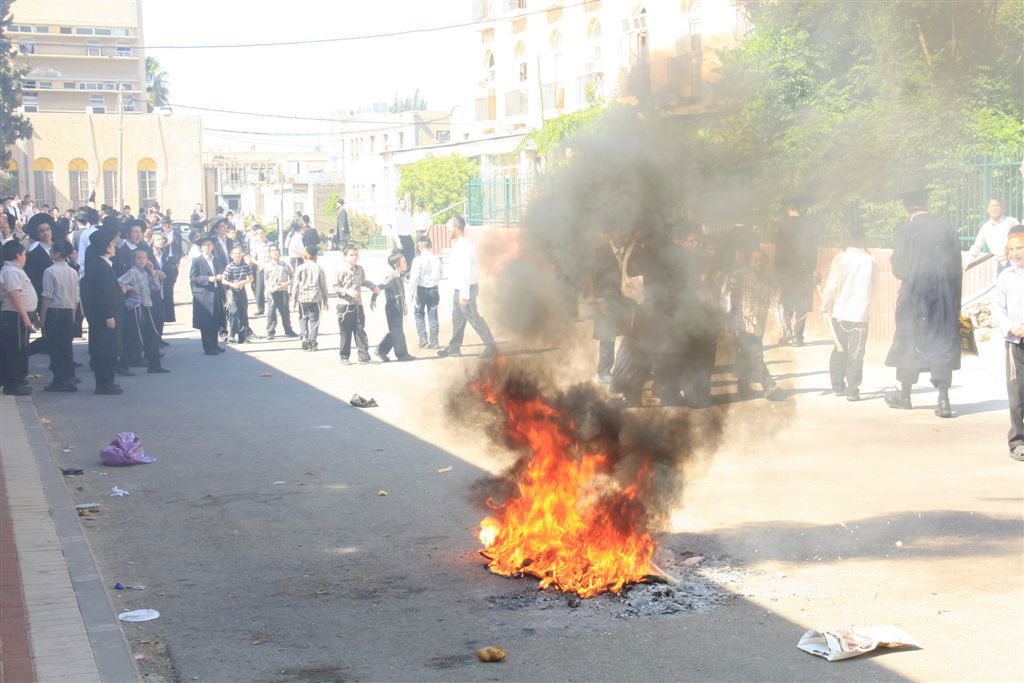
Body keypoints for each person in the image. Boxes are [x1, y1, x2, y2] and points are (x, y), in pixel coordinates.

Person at [884, 189, 962, 418]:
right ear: (926, 202)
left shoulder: (905, 231)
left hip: (914, 297)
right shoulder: (947, 229)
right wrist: (956, 302)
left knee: (909, 341)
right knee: (941, 343)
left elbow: (900, 270)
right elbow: (956, 268)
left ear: (906, 206)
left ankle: (904, 395)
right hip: (944, 296)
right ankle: (944, 400)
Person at [820, 225, 876, 401]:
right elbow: (874, 288)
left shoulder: (840, 259)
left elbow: (832, 285)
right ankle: (852, 389)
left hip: (840, 312)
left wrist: (825, 303)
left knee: (839, 349)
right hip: (860, 314)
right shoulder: (870, 260)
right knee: (856, 352)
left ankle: (837, 385)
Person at [725, 249, 784, 400]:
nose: (759, 263)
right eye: (756, 260)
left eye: (762, 260)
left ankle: (743, 388)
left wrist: (781, 326)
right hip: (741, 324)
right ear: (749, 261)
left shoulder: (769, 283)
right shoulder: (739, 277)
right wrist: (730, 321)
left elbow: (775, 305)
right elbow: (728, 298)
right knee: (756, 355)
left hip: (758, 327)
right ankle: (769, 385)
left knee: (746, 356)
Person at [437, 215, 497, 358]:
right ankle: (454, 347)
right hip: (460, 289)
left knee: (474, 318)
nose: (447, 231)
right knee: (457, 319)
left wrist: (464, 295)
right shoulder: (459, 245)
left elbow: (465, 272)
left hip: (466, 289)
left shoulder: (464, 247)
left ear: (457, 228)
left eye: (449, 228)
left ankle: (491, 346)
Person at [991, 225, 1024, 461]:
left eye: (1020, 247)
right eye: (1011, 249)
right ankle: (1017, 441)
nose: (1015, 253)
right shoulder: (1005, 277)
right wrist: (1011, 327)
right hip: (1015, 342)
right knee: (1016, 394)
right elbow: (997, 309)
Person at [81, 230, 124, 394]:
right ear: (106, 247)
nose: (114, 247)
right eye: (112, 244)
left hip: (104, 316)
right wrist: (109, 315)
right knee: (105, 350)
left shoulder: (102, 265)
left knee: (109, 349)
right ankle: (104, 383)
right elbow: (103, 294)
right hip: (105, 317)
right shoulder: (101, 267)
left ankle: (108, 380)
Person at [774, 200, 817, 346]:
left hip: (787, 271)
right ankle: (798, 337)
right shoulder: (810, 225)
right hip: (804, 271)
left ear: (788, 209)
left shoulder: (782, 226)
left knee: (786, 302)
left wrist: (778, 272)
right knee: (802, 304)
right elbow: (813, 249)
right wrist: (812, 268)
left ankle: (787, 332)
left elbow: (778, 251)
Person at [117, 249, 168, 373]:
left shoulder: (145, 272)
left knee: (152, 335)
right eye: (139, 258)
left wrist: (152, 272)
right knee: (134, 337)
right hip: (135, 307)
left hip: (147, 306)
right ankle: (122, 365)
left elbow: (155, 287)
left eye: (144, 258)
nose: (142, 260)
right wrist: (130, 288)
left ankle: (154, 365)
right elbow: (118, 283)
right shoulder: (132, 272)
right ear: (134, 260)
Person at [39, 240, 80, 391]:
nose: (50, 253)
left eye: (51, 251)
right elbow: (75, 296)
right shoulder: (73, 272)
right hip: (69, 311)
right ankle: (69, 378)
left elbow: (47, 296)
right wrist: (74, 315)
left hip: (54, 311)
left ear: (57, 254)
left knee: (55, 347)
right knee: (66, 346)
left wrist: (42, 317)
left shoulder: (50, 271)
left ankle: (59, 379)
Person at [0, 241, 37, 395]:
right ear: (18, 255)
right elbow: (14, 294)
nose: (25, 258)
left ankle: (19, 380)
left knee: (21, 348)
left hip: (20, 315)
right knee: (16, 349)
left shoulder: (14, 270)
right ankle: (14, 383)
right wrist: (24, 316)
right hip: (14, 315)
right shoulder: (10, 271)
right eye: (24, 254)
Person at [335, 246, 378, 364]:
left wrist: (374, 287)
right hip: (344, 306)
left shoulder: (360, 269)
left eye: (356, 255)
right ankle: (344, 357)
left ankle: (363, 356)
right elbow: (335, 286)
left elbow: (364, 282)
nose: (354, 257)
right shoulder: (341, 270)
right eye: (351, 255)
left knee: (360, 330)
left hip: (358, 305)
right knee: (345, 332)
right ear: (345, 257)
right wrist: (347, 291)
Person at [371, 252, 413, 362]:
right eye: (403, 262)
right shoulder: (391, 277)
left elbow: (401, 293)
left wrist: (405, 306)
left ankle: (381, 350)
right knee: (397, 331)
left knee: (396, 330)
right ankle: (402, 355)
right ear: (396, 264)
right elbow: (380, 287)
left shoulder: (399, 276)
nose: (406, 263)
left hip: (398, 305)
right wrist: (373, 298)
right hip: (392, 306)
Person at [190, 235, 226, 356]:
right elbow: (193, 277)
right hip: (204, 294)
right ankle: (208, 347)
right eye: (205, 245)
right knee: (206, 321)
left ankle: (215, 344)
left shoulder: (215, 259)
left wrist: (220, 276)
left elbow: (219, 272)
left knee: (215, 319)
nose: (208, 247)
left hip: (215, 292)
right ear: (201, 247)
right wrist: (208, 279)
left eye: (210, 245)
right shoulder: (197, 260)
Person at [291, 245, 328, 351]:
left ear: (306, 254)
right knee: (314, 320)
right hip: (316, 298)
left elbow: (295, 285)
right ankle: (313, 342)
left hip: (302, 298)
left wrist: (293, 300)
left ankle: (304, 337)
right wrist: (326, 300)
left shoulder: (300, 268)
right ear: (316, 256)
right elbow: (323, 285)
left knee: (303, 318)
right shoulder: (319, 268)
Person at [407, 235, 441, 348]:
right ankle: (434, 342)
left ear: (419, 247)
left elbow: (414, 278)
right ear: (430, 245)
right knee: (433, 316)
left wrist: (411, 294)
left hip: (421, 290)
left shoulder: (418, 260)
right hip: (434, 289)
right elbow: (441, 274)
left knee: (419, 314)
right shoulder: (437, 259)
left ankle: (422, 339)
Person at [969, 196, 1018, 273]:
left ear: (1002, 208)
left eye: (997, 205)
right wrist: (968, 263)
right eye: (991, 206)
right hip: (1001, 265)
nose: (994, 208)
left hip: (1016, 261)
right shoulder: (985, 228)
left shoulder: (1011, 222)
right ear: (987, 210)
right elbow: (976, 247)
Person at [263, 245, 297, 340]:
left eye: (276, 250)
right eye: (272, 250)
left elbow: (293, 276)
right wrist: (270, 288)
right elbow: (265, 279)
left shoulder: (285, 264)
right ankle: (270, 332)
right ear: (269, 253)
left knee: (285, 312)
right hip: (272, 293)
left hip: (283, 292)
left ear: (279, 252)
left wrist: (287, 284)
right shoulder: (267, 266)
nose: (274, 252)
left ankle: (288, 330)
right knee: (271, 312)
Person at [222, 245, 253, 344]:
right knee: (233, 312)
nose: (237, 255)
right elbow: (223, 280)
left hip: (241, 290)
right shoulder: (230, 266)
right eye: (235, 254)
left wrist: (243, 282)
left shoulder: (245, 265)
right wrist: (233, 284)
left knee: (243, 312)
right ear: (231, 255)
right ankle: (231, 335)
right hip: (231, 291)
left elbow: (251, 278)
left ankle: (242, 337)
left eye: (239, 253)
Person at [150, 231, 175, 335]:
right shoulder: (150, 254)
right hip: (153, 287)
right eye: (158, 239)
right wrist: (155, 273)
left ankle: (160, 336)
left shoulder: (165, 254)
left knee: (162, 312)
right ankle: (155, 337)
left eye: (162, 239)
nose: (161, 241)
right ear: (153, 241)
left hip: (164, 286)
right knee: (154, 313)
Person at [248, 226, 269, 316]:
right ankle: (260, 308)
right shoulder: (255, 246)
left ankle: (276, 307)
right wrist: (259, 263)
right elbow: (253, 258)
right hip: (260, 269)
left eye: (261, 233)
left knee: (273, 288)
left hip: (270, 269)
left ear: (265, 233)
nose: (260, 235)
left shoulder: (270, 244)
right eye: (258, 234)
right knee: (259, 289)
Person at [392, 198, 415, 272]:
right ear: (398, 205)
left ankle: (407, 274)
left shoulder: (408, 215)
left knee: (410, 257)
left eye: (405, 203)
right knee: (399, 258)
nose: (403, 205)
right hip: (399, 238)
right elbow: (394, 230)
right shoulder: (396, 215)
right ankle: (399, 275)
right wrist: (398, 242)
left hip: (408, 238)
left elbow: (411, 226)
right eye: (402, 203)